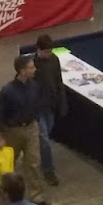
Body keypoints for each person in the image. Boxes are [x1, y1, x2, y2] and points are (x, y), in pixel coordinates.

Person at [0, 55, 46, 192]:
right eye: (31, 68)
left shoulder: (35, 86)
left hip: (31, 128)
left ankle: (37, 194)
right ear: (22, 71)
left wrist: (36, 121)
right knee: (9, 162)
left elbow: (38, 105)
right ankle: (5, 189)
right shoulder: (7, 91)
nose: (35, 69)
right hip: (13, 131)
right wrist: (2, 137)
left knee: (33, 162)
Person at [30, 37, 66, 187]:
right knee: (44, 139)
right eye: (45, 52)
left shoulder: (54, 60)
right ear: (38, 50)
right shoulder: (31, 65)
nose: (48, 54)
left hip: (50, 106)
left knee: (45, 136)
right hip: (37, 109)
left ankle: (33, 155)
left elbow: (58, 82)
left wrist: (62, 103)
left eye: (50, 51)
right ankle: (48, 170)